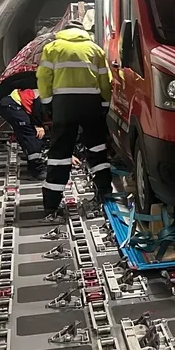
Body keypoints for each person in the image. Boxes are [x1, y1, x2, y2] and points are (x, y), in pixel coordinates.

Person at [36, 21, 113, 216]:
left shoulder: (53, 48)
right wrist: (105, 104)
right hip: (91, 103)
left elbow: (43, 78)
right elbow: (106, 80)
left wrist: (47, 103)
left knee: (60, 152)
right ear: (83, 32)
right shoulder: (95, 49)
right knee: (97, 147)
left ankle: (51, 203)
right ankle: (104, 191)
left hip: (64, 105)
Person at [0, 88, 47, 179]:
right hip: (12, 106)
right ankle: (37, 171)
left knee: (25, 135)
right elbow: (37, 107)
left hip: (10, 105)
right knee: (31, 136)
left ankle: (32, 162)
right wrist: (39, 125)